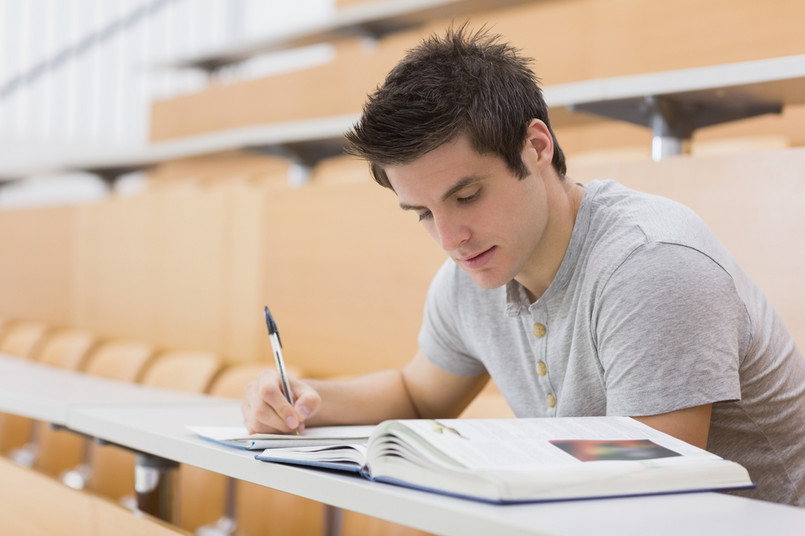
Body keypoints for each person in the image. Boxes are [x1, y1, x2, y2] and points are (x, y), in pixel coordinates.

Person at [242, 25, 805, 506]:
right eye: (421, 214)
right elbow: (416, 394)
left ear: (536, 146)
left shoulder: (650, 264)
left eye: (467, 197)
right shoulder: (473, 272)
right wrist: (303, 400)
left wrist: (499, 457)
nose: (449, 239)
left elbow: (652, 479)